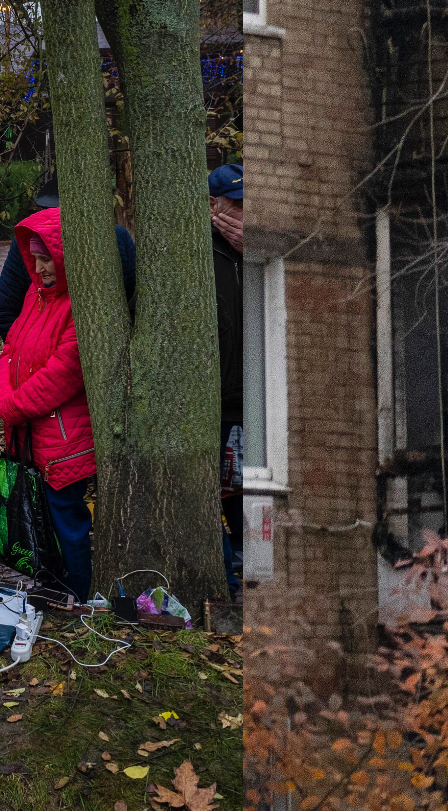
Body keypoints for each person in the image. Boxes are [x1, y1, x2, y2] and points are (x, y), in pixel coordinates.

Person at [0, 206, 97, 602]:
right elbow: (9, 349)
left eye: (48, 258)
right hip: (33, 432)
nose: (40, 268)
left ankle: (77, 592)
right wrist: (5, 397)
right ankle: (53, 583)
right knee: (41, 515)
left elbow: (63, 373)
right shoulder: (35, 296)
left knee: (66, 517)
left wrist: (12, 405)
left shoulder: (78, 306)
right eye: (34, 259)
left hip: (64, 436)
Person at [0, 175, 135, 340]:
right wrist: (20, 353)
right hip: (42, 350)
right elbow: (6, 307)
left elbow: (128, 292)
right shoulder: (28, 241)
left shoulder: (116, 237)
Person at [210, 165, 245, 597]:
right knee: (215, 491)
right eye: (236, 204)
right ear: (214, 207)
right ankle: (225, 577)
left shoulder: (257, 250)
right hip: (215, 402)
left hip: (252, 399)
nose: (243, 213)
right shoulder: (201, 253)